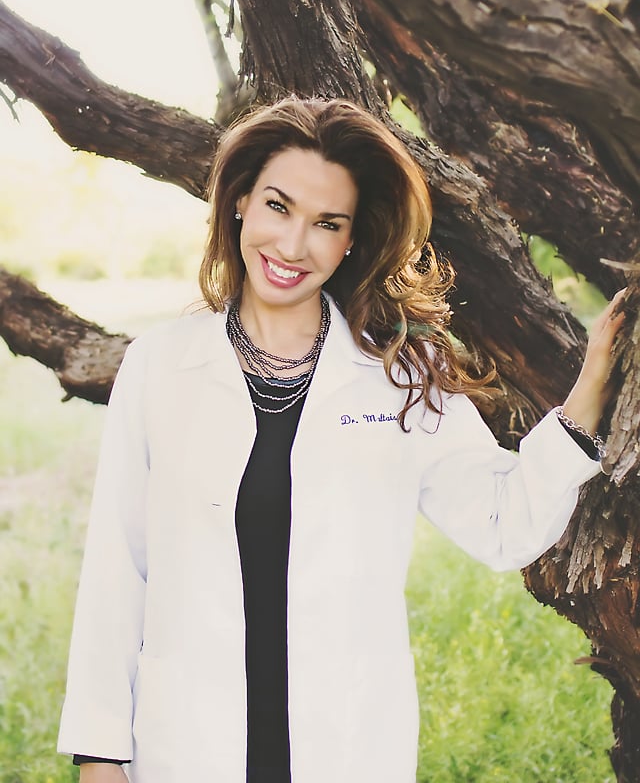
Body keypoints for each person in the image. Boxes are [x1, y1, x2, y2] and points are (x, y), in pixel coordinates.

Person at [58, 97, 625, 783]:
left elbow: (505, 524)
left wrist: (592, 386)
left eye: (327, 223)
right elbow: (117, 570)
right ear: (239, 202)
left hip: (348, 749)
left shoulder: (401, 376)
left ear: (352, 239)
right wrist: (100, 755)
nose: (294, 245)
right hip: (187, 747)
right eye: (278, 207)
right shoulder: (160, 365)